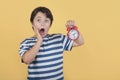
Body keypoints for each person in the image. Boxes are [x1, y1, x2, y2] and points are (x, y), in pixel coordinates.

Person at [19, 6, 84, 80]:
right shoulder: (26, 42)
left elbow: (80, 42)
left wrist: (73, 30)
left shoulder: (58, 38)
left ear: (50, 25)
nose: (42, 24)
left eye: (46, 20)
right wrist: (39, 41)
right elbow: (26, 60)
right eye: (38, 20)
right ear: (32, 23)